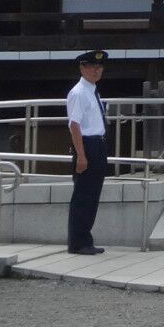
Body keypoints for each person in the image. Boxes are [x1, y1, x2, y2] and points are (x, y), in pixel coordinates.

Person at [65, 49, 109, 256]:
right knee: (83, 196)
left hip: (98, 144)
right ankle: (77, 242)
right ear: (82, 68)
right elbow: (74, 125)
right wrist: (81, 155)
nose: (96, 70)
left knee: (92, 196)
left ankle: (86, 239)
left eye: (99, 67)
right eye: (92, 66)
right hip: (87, 145)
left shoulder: (92, 90)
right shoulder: (79, 92)